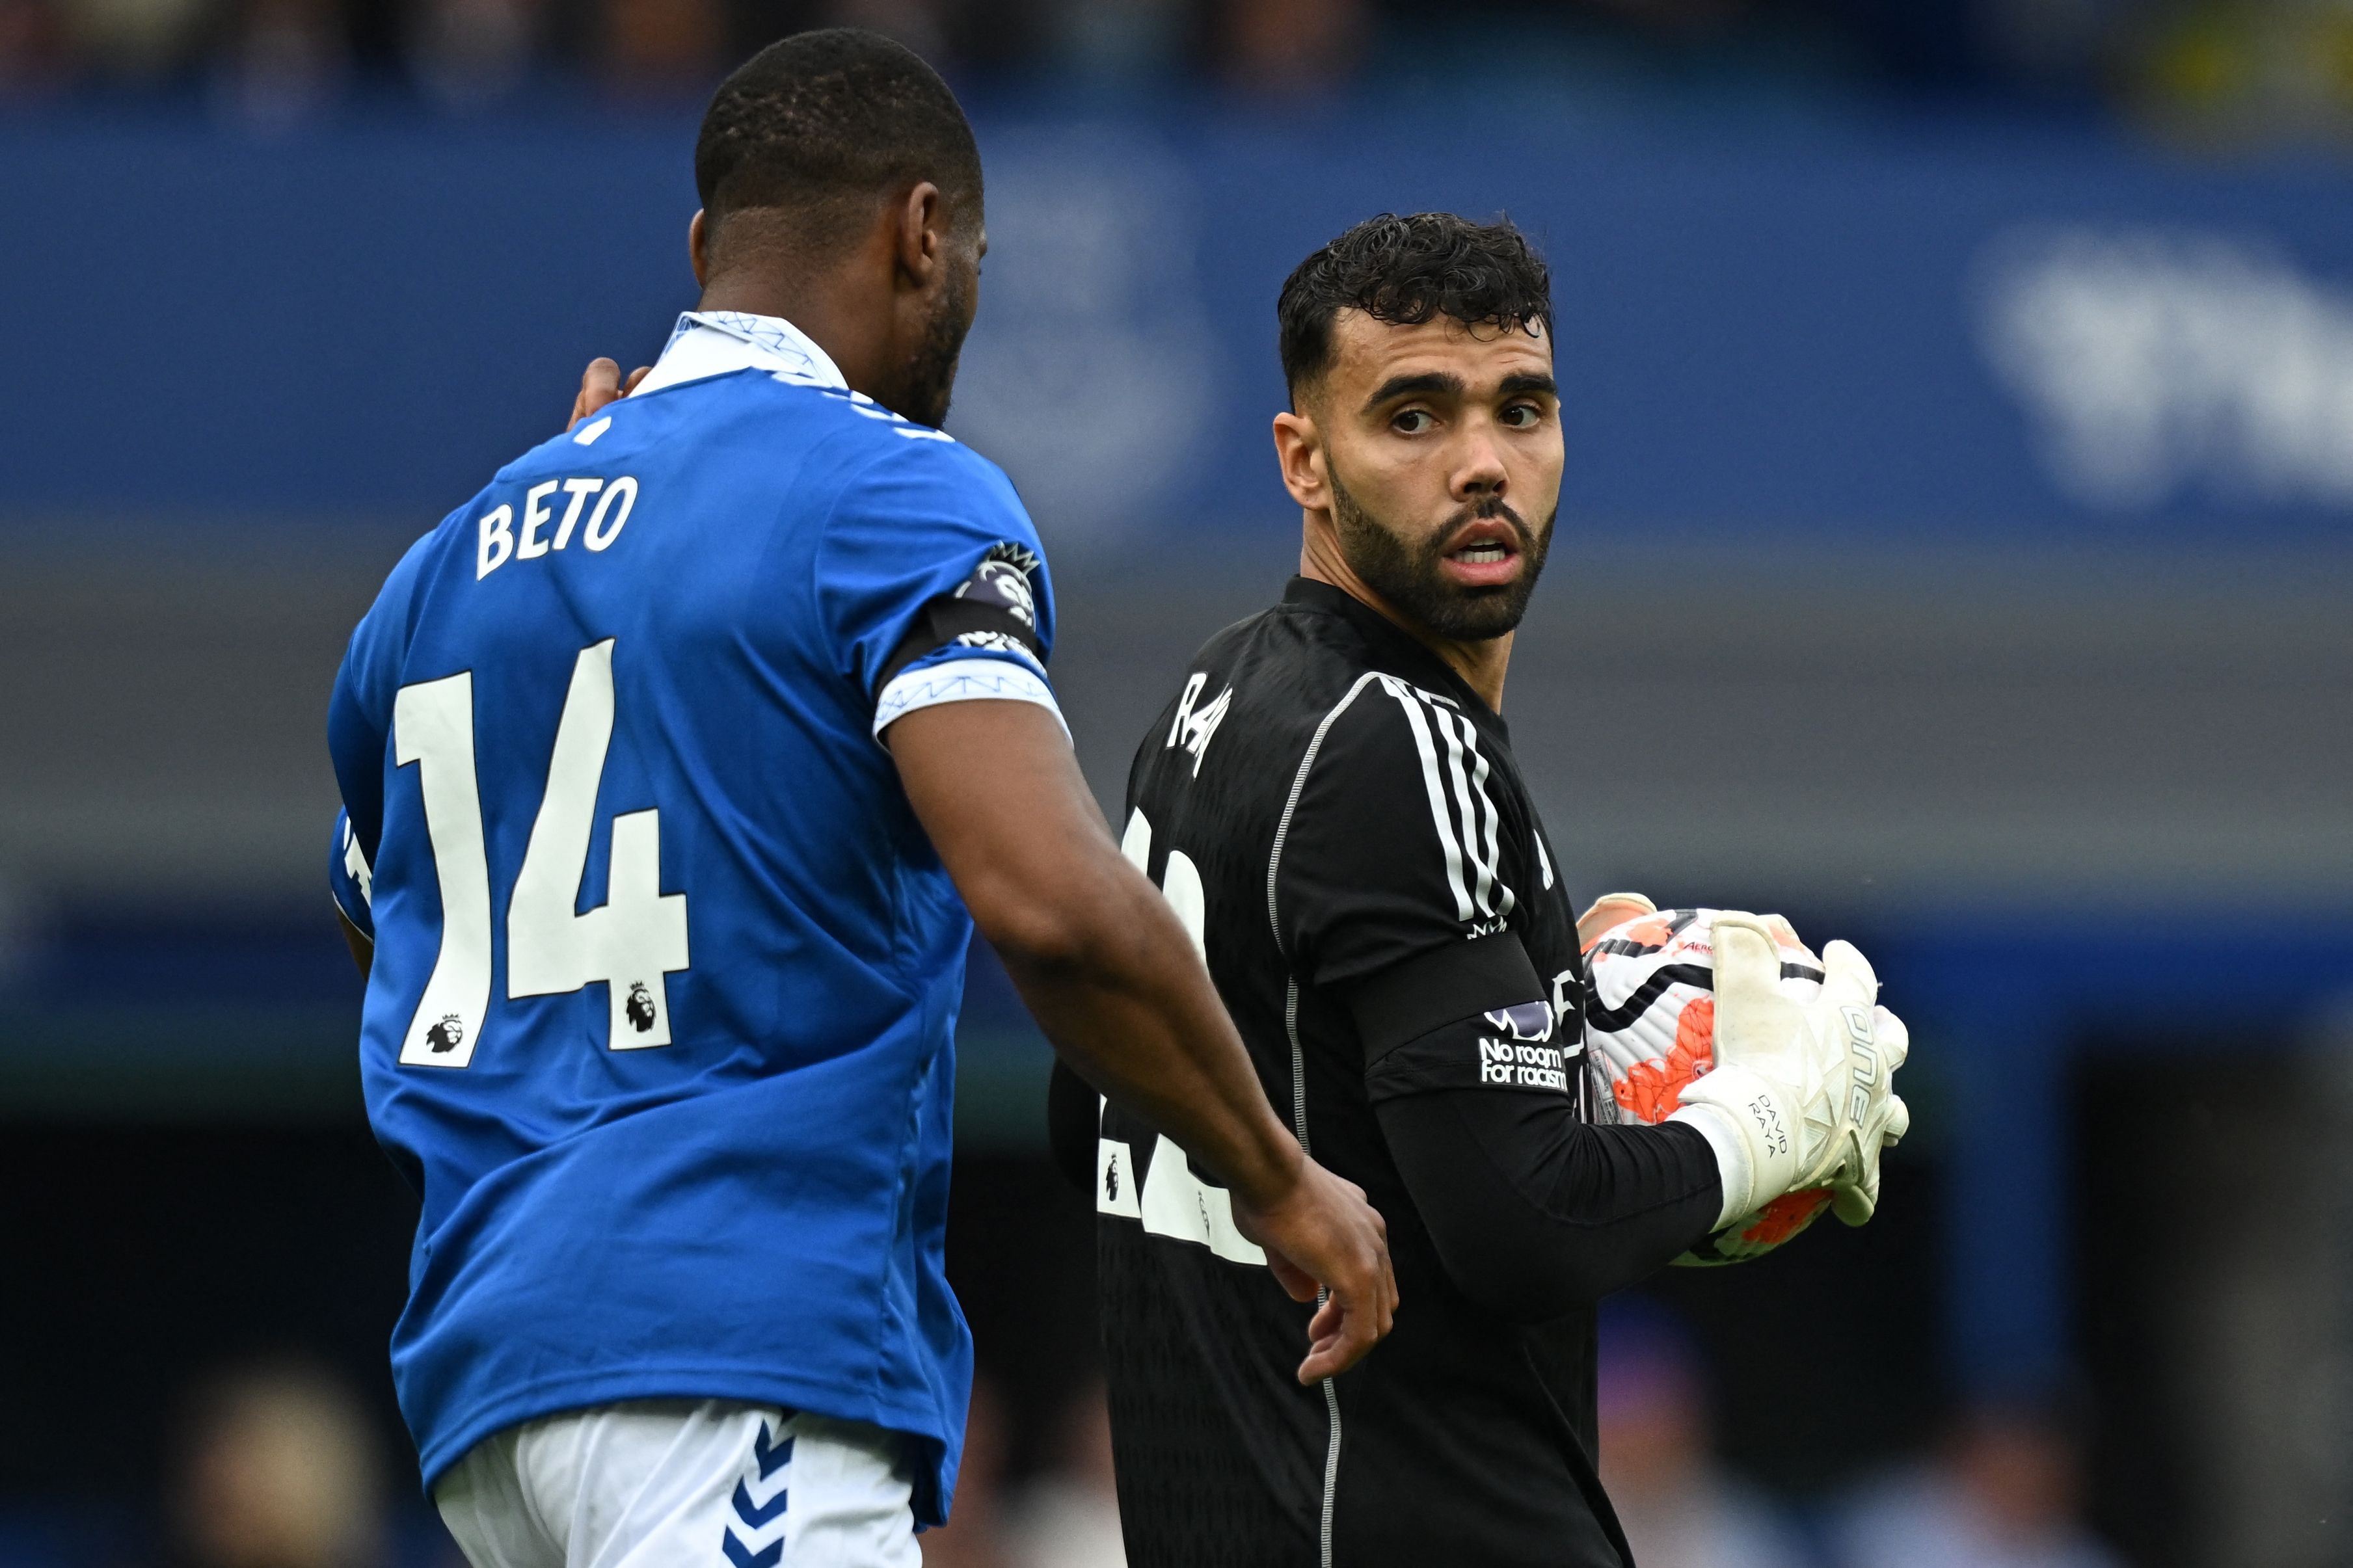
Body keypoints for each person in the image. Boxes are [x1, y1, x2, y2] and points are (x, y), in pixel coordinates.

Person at [324, 29, 1393, 1568]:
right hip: (736, 1357)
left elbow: (403, 941)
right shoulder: (889, 489)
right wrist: (1278, 1178)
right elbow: (1054, 906)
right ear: (923, 236)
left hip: (494, 1400)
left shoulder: (433, 579)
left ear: (704, 251)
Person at [1038, 211, 1908, 1566]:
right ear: (1304, 462)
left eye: (1522, 408)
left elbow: (1091, 1116)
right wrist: (1764, 1124)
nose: (1484, 465)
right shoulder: (1397, 739)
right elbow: (1532, 1230)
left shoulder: (1213, 696)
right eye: (1414, 418)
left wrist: (1550, 1008)